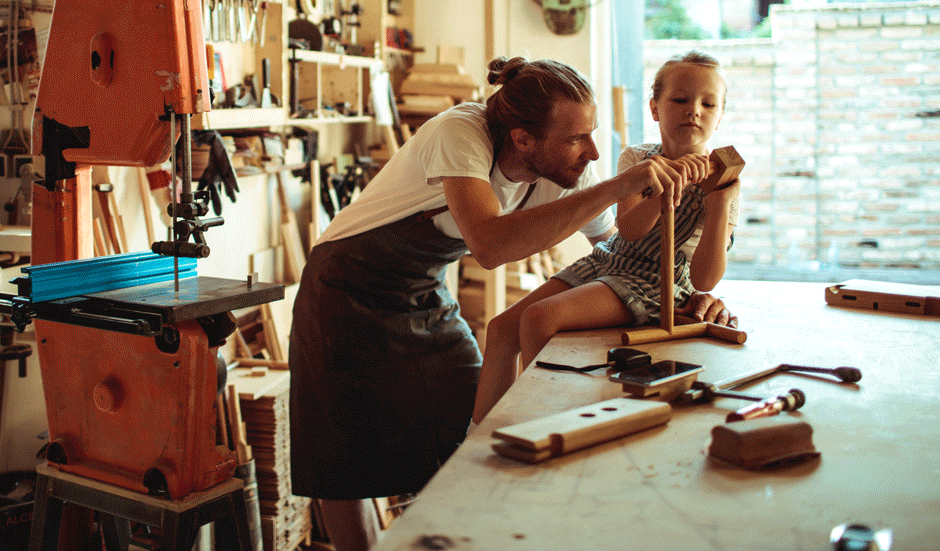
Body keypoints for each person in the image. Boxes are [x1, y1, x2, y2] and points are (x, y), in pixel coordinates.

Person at [289, 56, 723, 551]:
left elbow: (616, 254)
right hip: (343, 289)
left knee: (464, 426)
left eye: (593, 134)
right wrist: (616, 188)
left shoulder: (572, 170)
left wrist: (698, 294)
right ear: (522, 140)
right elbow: (490, 245)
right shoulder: (461, 131)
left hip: (421, 291)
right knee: (345, 460)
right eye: (576, 138)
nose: (593, 153)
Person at [472, 50, 742, 424]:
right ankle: (480, 439)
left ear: (721, 115)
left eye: (708, 103)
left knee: (537, 320)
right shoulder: (638, 159)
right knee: (502, 328)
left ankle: (536, 425)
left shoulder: (723, 181)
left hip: (654, 282)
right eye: (680, 99)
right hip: (610, 260)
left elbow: (704, 279)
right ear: (654, 108)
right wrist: (663, 186)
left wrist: (721, 201)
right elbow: (629, 230)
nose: (693, 110)